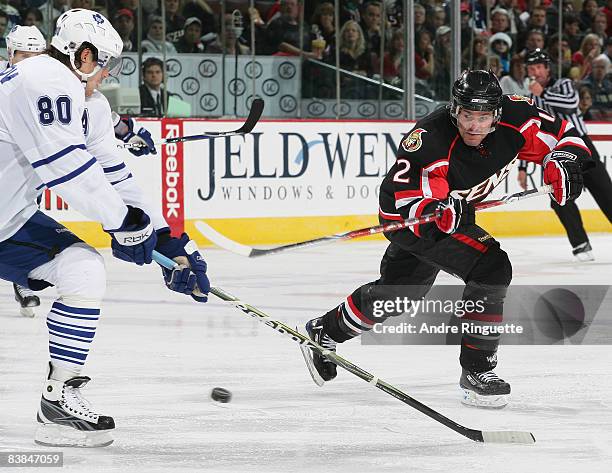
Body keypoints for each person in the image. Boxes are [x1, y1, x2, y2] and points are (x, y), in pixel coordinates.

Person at [302, 70, 590, 409]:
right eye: (467, 115)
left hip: (454, 212)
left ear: (496, 114)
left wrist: (564, 160)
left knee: (400, 295)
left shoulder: (519, 115)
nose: (474, 125)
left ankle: (326, 330)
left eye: (483, 117)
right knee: (492, 267)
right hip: (411, 218)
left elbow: (567, 134)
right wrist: (436, 211)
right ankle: (477, 370)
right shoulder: (430, 138)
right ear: (455, 110)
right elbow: (407, 199)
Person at [0, 10, 209, 448]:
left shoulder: (88, 104)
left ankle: (57, 400)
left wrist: (172, 240)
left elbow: (116, 175)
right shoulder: (40, 78)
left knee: (83, 270)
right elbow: (65, 169)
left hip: (9, 221)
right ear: (83, 54)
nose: (107, 75)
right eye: (104, 64)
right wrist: (123, 224)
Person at [523, 48, 612, 260]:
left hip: (581, 146)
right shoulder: (530, 98)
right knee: (559, 197)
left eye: (538, 67)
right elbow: (528, 130)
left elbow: (571, 105)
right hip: (554, 153)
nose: (535, 72)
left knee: (606, 194)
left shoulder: (562, 84)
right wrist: (522, 167)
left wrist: (542, 94)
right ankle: (581, 244)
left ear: (547, 68)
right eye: (531, 68)